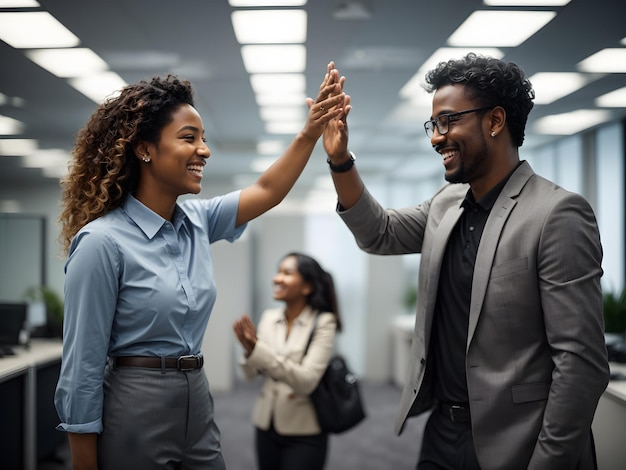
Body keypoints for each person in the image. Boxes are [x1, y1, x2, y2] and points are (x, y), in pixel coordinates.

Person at [322, 53, 610, 469]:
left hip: (520, 441)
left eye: (448, 121)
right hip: (443, 432)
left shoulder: (556, 214)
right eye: (434, 125)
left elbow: (580, 362)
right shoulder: (447, 204)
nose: (437, 137)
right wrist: (339, 160)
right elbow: (378, 232)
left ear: (494, 122)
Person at [54, 62, 346, 470]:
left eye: (203, 139)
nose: (204, 150)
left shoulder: (196, 221)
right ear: (145, 149)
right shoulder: (102, 243)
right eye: (189, 138)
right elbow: (81, 367)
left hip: (196, 392)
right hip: (136, 397)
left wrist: (310, 131)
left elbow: (267, 190)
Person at [233, 252, 342, 470]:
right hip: (266, 423)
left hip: (305, 430)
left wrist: (258, 351)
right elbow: (250, 376)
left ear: (307, 287)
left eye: (287, 273)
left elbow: (307, 381)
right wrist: (248, 352)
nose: (277, 278)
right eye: (278, 272)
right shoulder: (269, 318)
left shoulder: (324, 322)